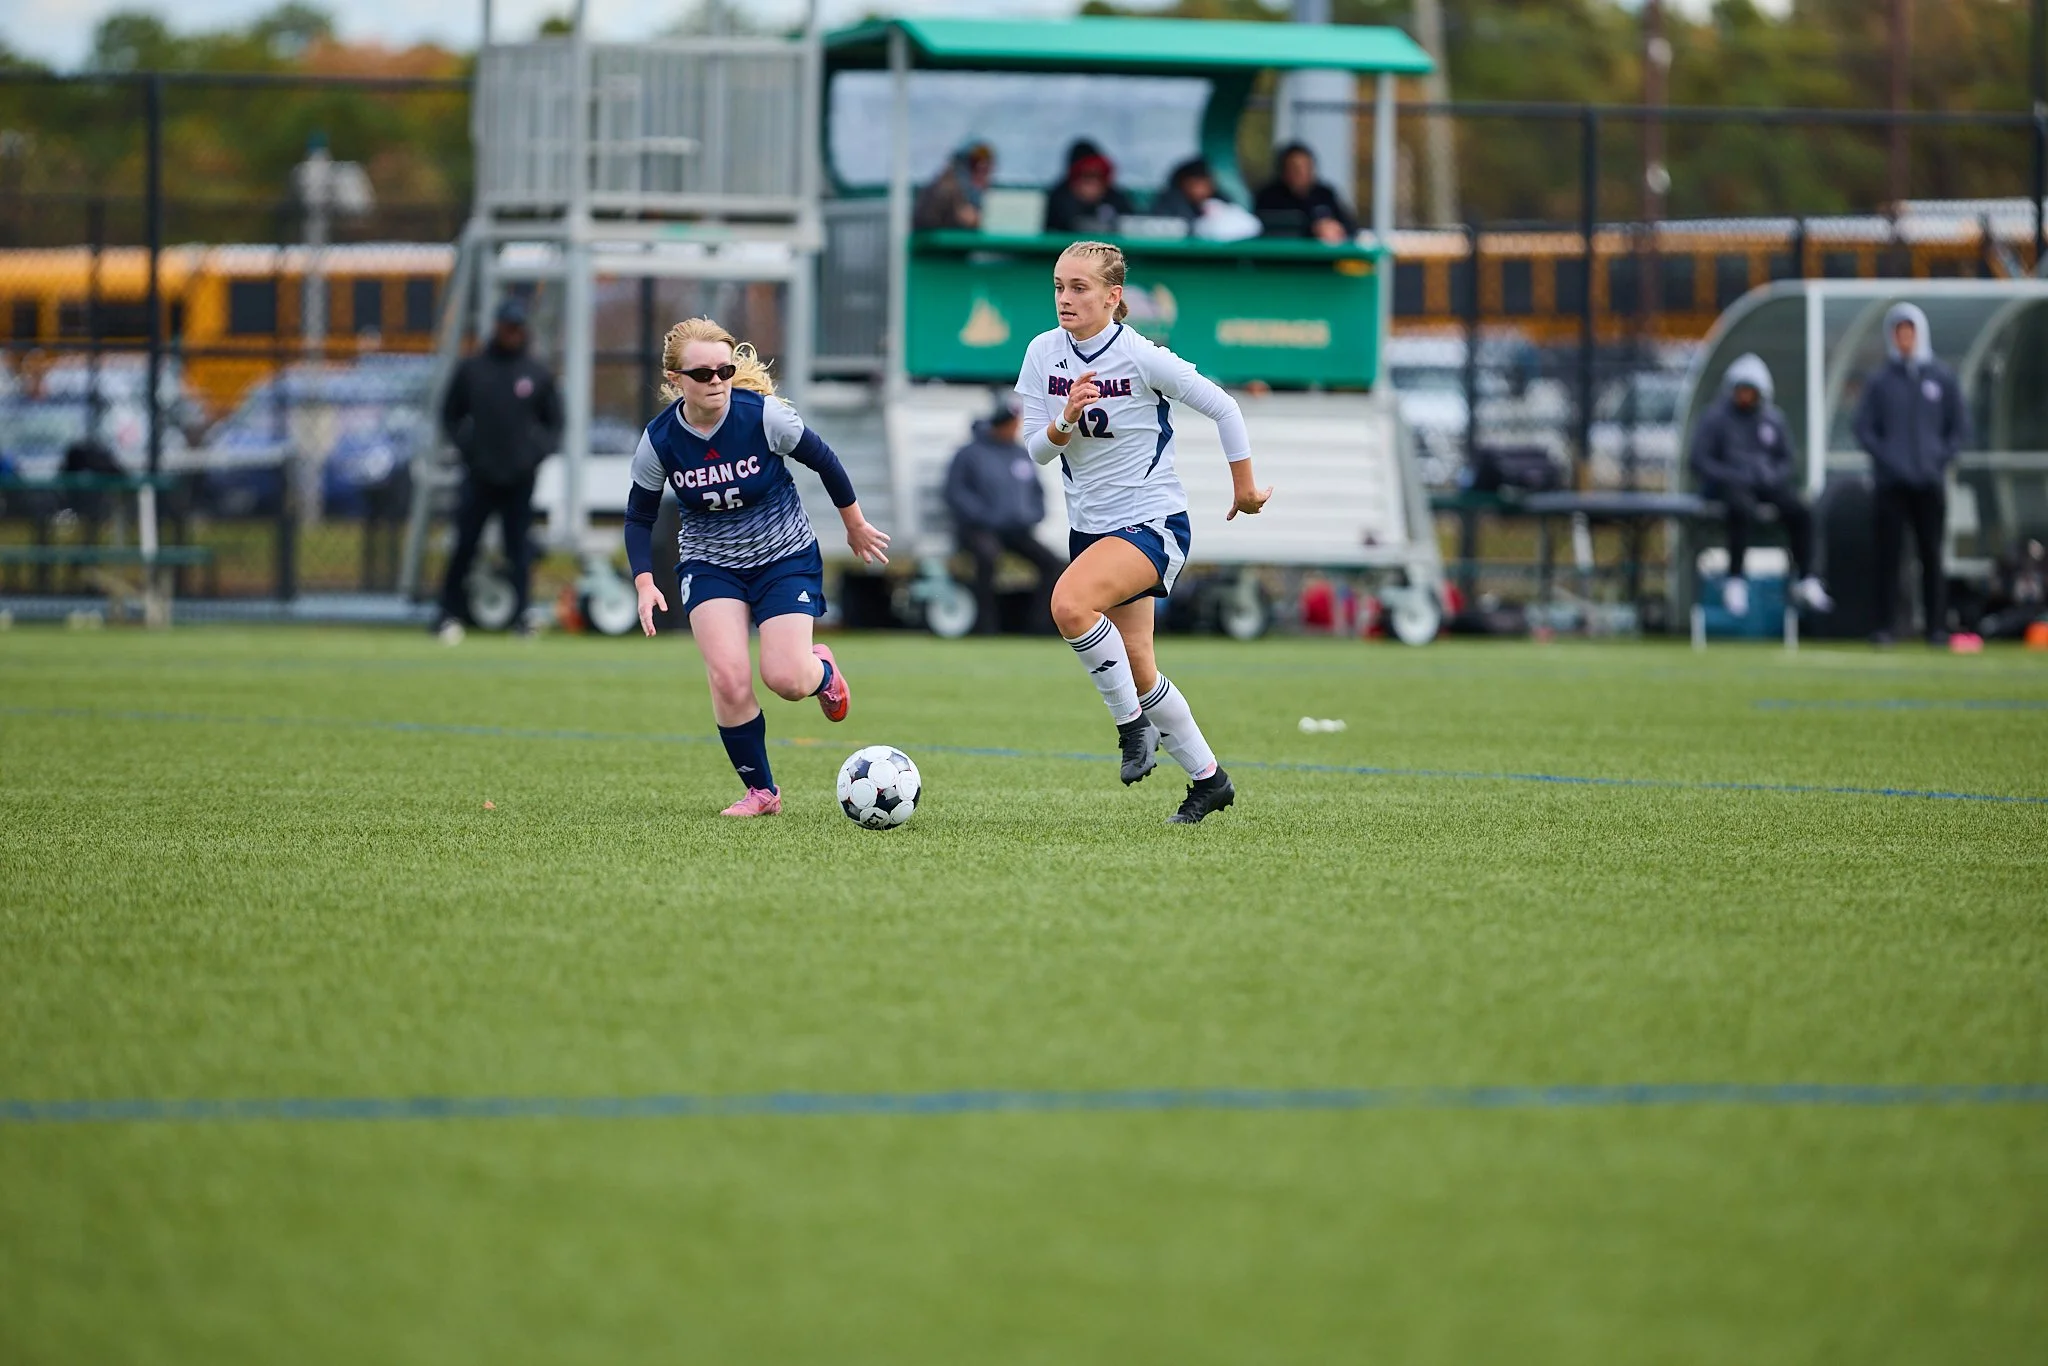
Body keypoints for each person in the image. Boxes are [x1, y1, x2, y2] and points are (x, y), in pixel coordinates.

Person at [1014, 240, 1273, 824]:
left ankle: (1132, 726)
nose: (1064, 298)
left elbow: (1225, 407)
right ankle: (1210, 780)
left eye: (1079, 288)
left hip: (1151, 522)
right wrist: (1064, 420)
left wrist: (1245, 488)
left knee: (1068, 604)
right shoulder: (1042, 352)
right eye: (1058, 286)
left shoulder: (1140, 355)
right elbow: (1037, 451)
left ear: (1114, 296)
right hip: (1091, 529)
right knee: (1137, 663)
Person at [623, 317, 890, 818]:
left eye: (724, 371)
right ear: (676, 379)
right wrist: (643, 581)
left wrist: (854, 524)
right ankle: (762, 792)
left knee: (786, 679)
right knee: (727, 678)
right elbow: (639, 516)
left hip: (783, 557)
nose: (717, 381)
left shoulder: (764, 417)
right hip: (710, 564)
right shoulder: (660, 440)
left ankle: (821, 670)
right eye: (702, 374)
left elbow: (824, 459)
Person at [435, 298, 563, 640]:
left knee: (518, 547)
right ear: (497, 328)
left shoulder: (536, 372)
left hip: (519, 478)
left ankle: (522, 616)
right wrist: (469, 450)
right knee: (465, 543)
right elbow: (450, 414)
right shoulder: (473, 369)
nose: (512, 334)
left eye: (517, 328)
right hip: (479, 475)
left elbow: (554, 423)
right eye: (507, 327)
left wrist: (533, 455)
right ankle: (447, 613)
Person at [1853, 302, 1969, 645]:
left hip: (1929, 482)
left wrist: (1937, 460)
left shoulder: (1941, 378)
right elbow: (1863, 428)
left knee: (1931, 555)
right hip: (1891, 484)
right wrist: (1889, 459)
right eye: (1898, 333)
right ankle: (1885, 627)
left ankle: (1936, 627)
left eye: (1909, 333)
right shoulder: (1880, 381)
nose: (1904, 339)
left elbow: (1959, 428)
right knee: (1888, 557)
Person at [1689, 353, 1833, 617]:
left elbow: (1787, 460)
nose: (1745, 396)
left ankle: (1807, 578)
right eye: (1741, 390)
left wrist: (1770, 476)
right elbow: (1699, 460)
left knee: (1801, 510)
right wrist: (1730, 475)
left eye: (1750, 391)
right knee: (1740, 508)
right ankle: (1735, 580)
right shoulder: (1715, 418)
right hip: (1729, 486)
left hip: (1765, 484)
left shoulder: (1772, 419)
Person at [943, 396, 1063, 634]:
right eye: (1012, 424)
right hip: (979, 530)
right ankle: (986, 625)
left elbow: (1036, 492)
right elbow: (955, 493)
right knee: (988, 557)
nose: (1015, 428)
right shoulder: (970, 454)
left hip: (1016, 531)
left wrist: (1033, 515)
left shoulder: (1019, 454)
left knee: (1054, 565)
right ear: (1000, 424)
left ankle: (1038, 625)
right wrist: (983, 516)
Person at [1253, 141, 1357, 245]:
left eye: (1306, 167)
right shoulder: (1269, 196)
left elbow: (1350, 226)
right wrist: (1310, 229)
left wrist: (1335, 228)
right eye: (1295, 168)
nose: (1302, 173)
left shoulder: (1325, 194)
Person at [1043, 148, 1134, 236]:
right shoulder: (1059, 201)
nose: (1093, 184)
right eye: (1086, 177)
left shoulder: (1116, 199)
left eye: (1098, 176)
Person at [912, 141, 994, 232]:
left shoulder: (960, 188)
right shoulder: (948, 188)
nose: (983, 175)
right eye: (975, 166)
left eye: (986, 169)